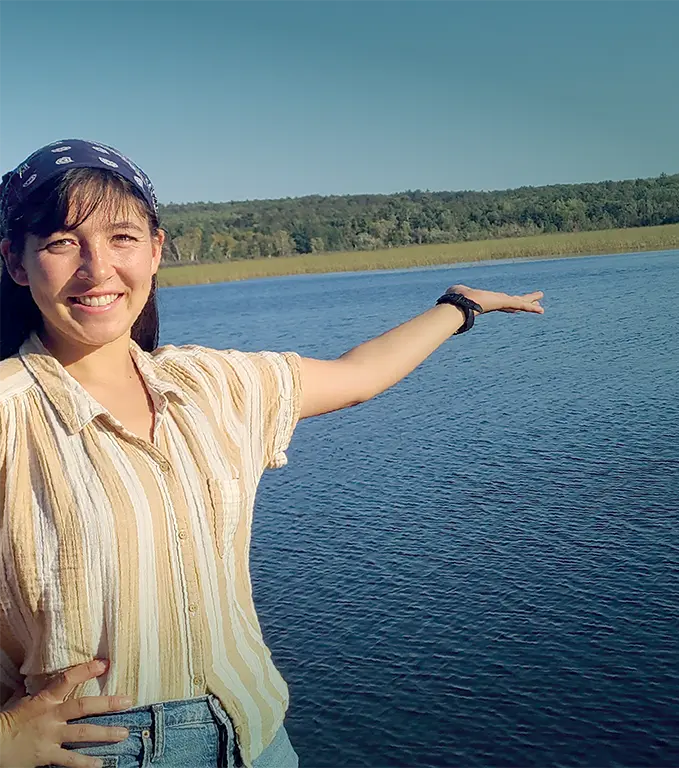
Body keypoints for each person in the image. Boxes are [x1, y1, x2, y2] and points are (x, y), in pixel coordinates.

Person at [0, 140, 544, 768]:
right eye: (63, 243)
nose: (98, 270)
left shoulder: (214, 387)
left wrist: (460, 307)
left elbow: (359, 373)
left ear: (155, 248)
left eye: (121, 237)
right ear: (16, 262)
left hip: (256, 736)